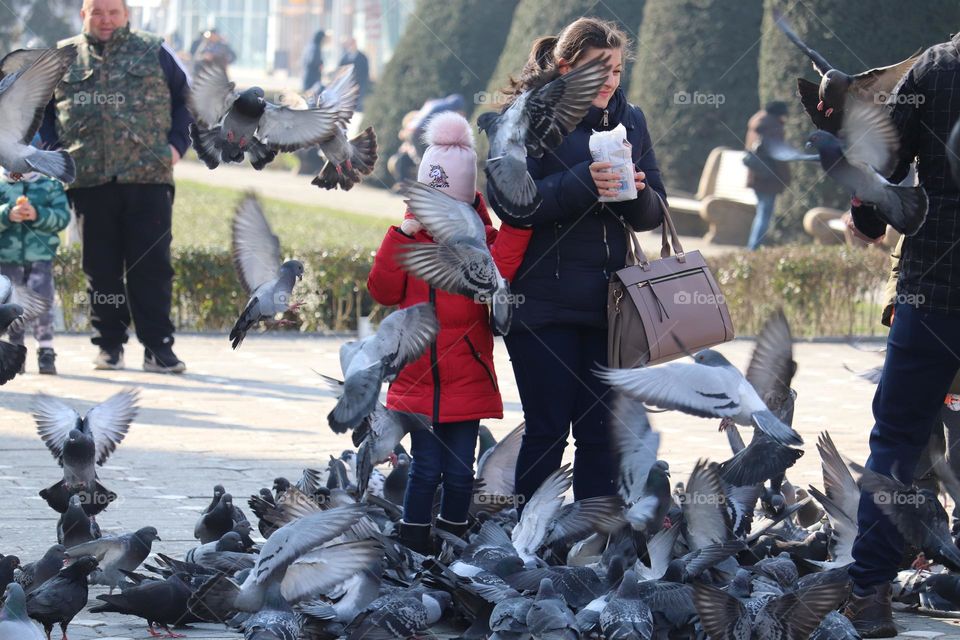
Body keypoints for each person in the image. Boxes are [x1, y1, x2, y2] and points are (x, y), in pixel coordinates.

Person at [485, 17, 666, 508]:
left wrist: (634, 193)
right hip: (542, 302)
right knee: (547, 430)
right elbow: (512, 202)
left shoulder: (632, 119)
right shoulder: (527, 119)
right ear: (566, 68)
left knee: (599, 435)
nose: (610, 80)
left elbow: (654, 213)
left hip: (611, 307)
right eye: (597, 69)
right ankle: (530, 539)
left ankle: (590, 541)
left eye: (617, 69)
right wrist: (588, 181)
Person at [366, 111, 532, 553]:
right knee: (424, 469)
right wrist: (399, 235)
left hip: (466, 376)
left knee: (460, 470)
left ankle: (452, 541)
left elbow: (506, 269)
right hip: (418, 377)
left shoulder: (482, 241)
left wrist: (518, 222)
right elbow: (382, 290)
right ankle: (414, 544)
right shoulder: (410, 239)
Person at [843, 31, 960, 638]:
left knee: (896, 442)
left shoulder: (935, 68)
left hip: (935, 289)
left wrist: (865, 219)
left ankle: (869, 598)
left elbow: (881, 167)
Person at [40, 0, 192, 373]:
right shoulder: (61, 56)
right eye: (97, 12)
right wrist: (53, 153)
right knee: (100, 268)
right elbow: (39, 111)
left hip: (148, 178)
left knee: (153, 268)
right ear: (83, 15)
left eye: (113, 12)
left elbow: (188, 101)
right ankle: (109, 345)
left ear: (126, 14)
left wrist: (176, 146)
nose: (105, 20)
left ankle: (158, 348)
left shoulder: (154, 49)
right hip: (89, 180)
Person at [0, 144, 71, 375]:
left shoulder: (50, 185)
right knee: (13, 306)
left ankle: (46, 350)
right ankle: (16, 351)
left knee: (42, 303)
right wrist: (7, 214)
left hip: (40, 258)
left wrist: (37, 214)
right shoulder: (2, 186)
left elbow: (62, 218)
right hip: (7, 259)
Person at [744, 101, 791, 250]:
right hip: (769, 179)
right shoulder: (774, 128)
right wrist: (786, 177)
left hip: (756, 176)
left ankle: (752, 247)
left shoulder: (757, 124)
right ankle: (754, 249)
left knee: (761, 213)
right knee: (764, 215)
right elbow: (779, 157)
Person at [338, 37, 370, 112]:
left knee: (358, 105)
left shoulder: (362, 57)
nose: (351, 46)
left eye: (353, 44)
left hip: (360, 85)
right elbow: (340, 71)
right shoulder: (344, 58)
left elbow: (366, 72)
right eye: (349, 44)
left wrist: (364, 84)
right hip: (348, 86)